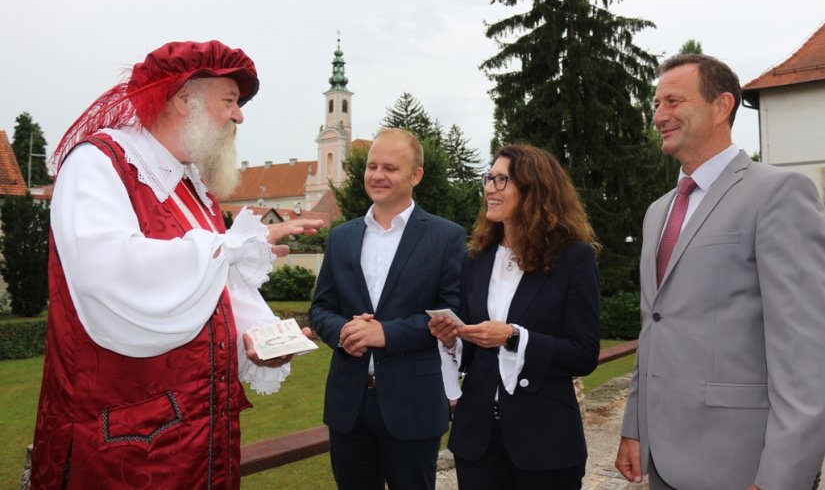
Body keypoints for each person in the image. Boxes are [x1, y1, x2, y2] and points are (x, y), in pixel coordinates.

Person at [30, 40, 323, 489]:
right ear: (184, 98)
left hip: (201, 440)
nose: (239, 116)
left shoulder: (193, 186)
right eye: (229, 101)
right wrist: (229, 248)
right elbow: (111, 273)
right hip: (125, 446)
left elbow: (216, 289)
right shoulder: (99, 163)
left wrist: (260, 342)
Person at [615, 54, 825, 489]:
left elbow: (806, 355)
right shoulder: (658, 212)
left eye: (673, 101)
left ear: (721, 105)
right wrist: (634, 427)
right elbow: (654, 327)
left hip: (740, 464)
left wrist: (781, 478)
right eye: (655, 105)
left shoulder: (778, 193)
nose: (659, 116)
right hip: (662, 462)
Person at [429, 144, 601, 490]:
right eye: (488, 178)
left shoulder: (574, 259)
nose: (489, 188)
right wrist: (452, 339)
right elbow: (473, 355)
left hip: (546, 442)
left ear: (533, 188)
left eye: (501, 180)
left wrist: (513, 336)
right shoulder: (475, 260)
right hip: (477, 440)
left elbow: (584, 353)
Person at [309, 127, 467, 490]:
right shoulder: (342, 236)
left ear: (416, 176)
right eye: (372, 166)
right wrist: (344, 332)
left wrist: (386, 333)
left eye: (391, 168)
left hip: (413, 403)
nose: (378, 175)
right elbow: (321, 308)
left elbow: (454, 312)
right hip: (348, 404)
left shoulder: (445, 237)